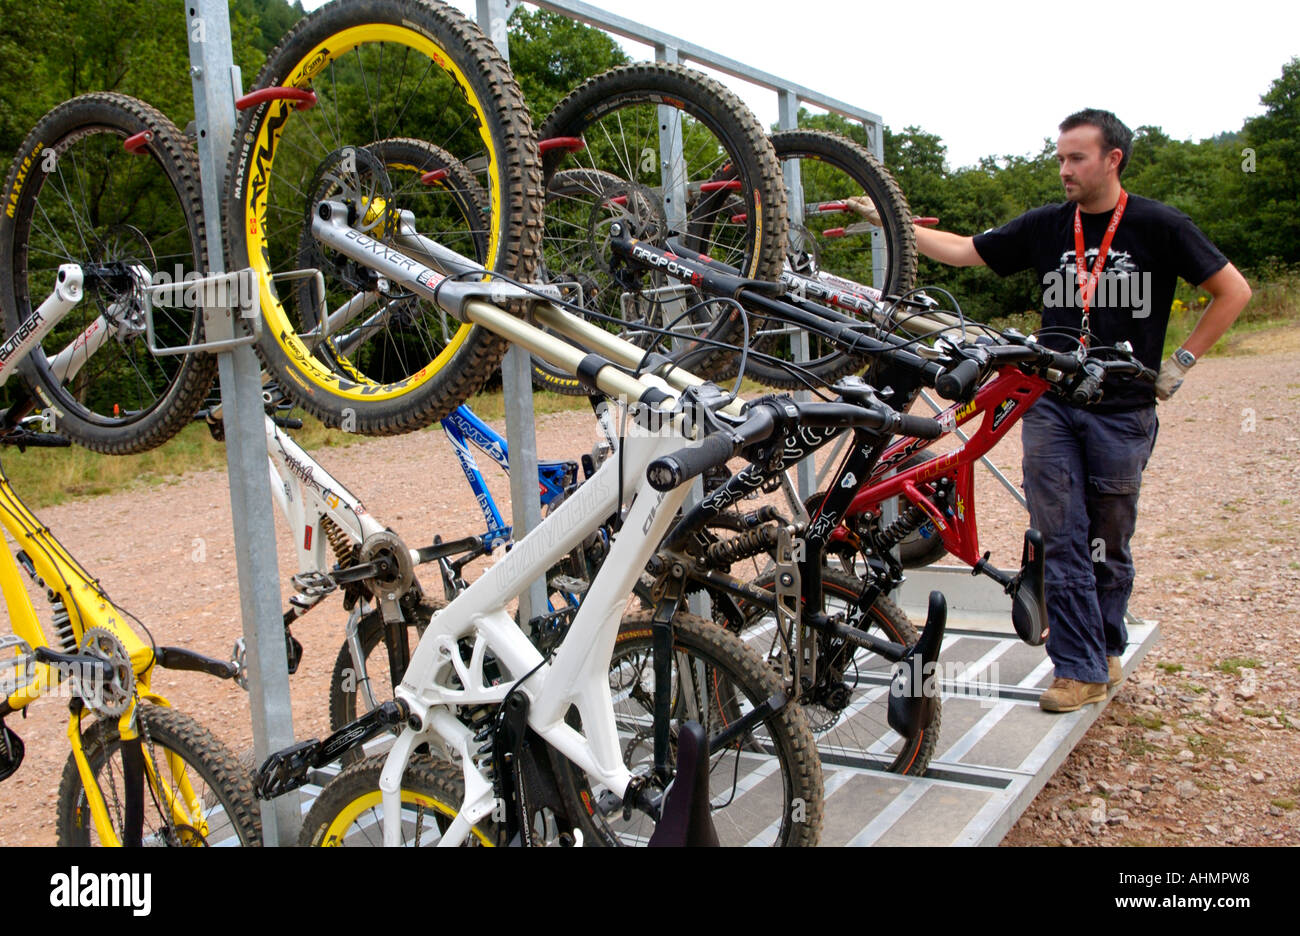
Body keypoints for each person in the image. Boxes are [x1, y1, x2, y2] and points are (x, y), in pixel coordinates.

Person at [851, 109, 1252, 712]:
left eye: (1077, 158)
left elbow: (1233, 290)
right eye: (1060, 157)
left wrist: (1182, 363)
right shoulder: (1047, 225)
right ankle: (1078, 668)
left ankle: (1105, 645)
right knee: (1059, 535)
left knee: (1108, 540)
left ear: (1112, 159)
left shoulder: (1158, 224)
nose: (1064, 169)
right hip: (1049, 404)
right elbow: (963, 251)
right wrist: (890, 219)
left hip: (1122, 408)